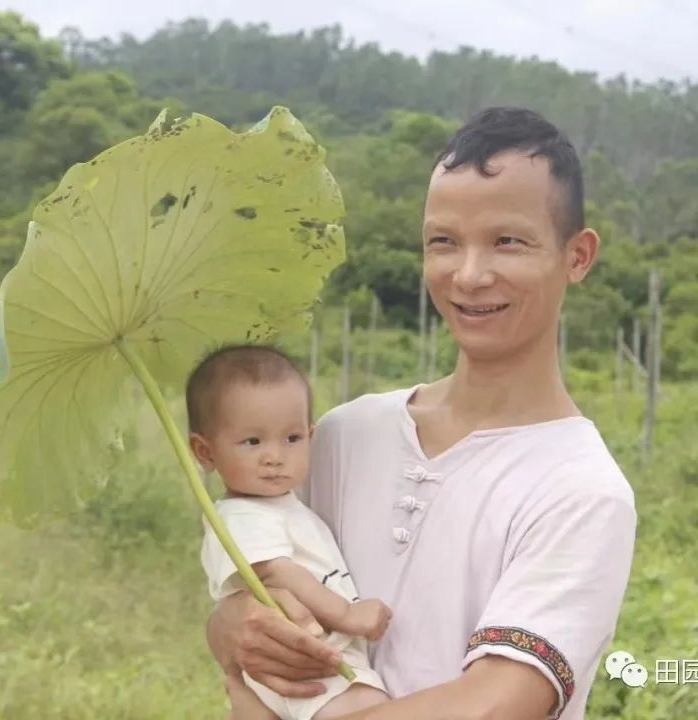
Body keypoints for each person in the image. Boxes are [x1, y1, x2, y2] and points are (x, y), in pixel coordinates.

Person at [205, 106, 638, 720]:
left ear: (577, 256)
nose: (469, 275)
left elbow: (493, 705)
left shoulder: (581, 491)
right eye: (443, 242)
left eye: (507, 241)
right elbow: (267, 580)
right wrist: (229, 625)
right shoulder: (343, 436)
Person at [187, 345, 391, 720]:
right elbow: (275, 571)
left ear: (311, 436)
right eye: (253, 441)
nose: (275, 456)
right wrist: (346, 614)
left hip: (304, 663)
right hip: (309, 667)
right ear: (205, 452)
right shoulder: (241, 515)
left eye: (292, 438)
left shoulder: (282, 505)